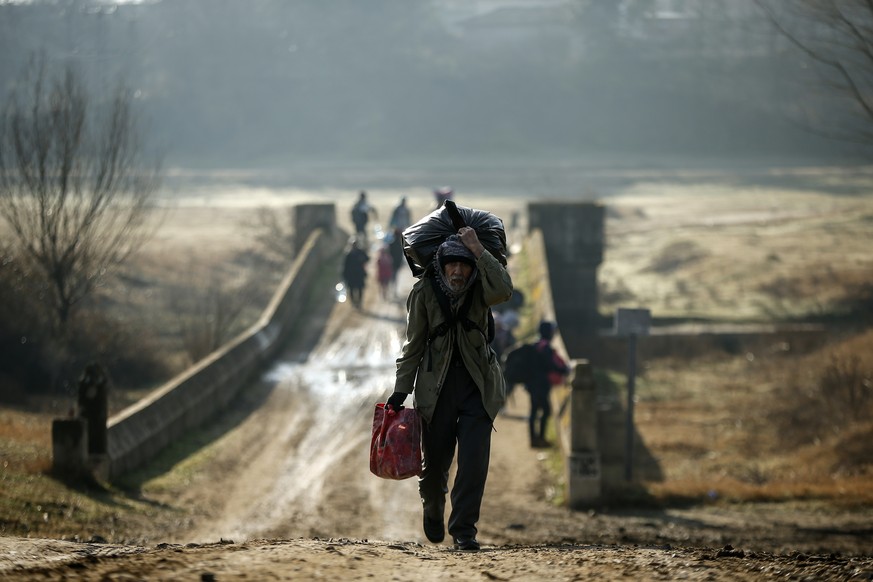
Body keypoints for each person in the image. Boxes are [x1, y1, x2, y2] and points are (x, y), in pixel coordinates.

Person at [386, 226, 513, 551]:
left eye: (464, 264)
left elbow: (504, 290)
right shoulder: (425, 292)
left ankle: (464, 530)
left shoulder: (482, 287)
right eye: (452, 264)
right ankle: (432, 504)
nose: (458, 271)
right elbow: (413, 344)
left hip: (478, 388)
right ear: (441, 265)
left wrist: (479, 251)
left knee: (473, 464)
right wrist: (401, 391)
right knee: (435, 467)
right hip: (436, 390)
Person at [524, 320, 571, 449]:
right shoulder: (546, 348)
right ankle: (541, 439)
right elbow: (551, 366)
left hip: (531, 383)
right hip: (541, 384)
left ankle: (534, 439)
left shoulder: (535, 344)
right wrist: (566, 370)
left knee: (534, 411)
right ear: (549, 333)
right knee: (546, 410)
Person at [342, 238, 369, 308]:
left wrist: (363, 259)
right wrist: (345, 275)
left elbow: (367, 258)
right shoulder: (348, 254)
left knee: (360, 289)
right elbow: (345, 265)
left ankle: (359, 302)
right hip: (351, 275)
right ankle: (353, 303)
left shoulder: (361, 252)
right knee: (351, 289)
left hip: (359, 274)